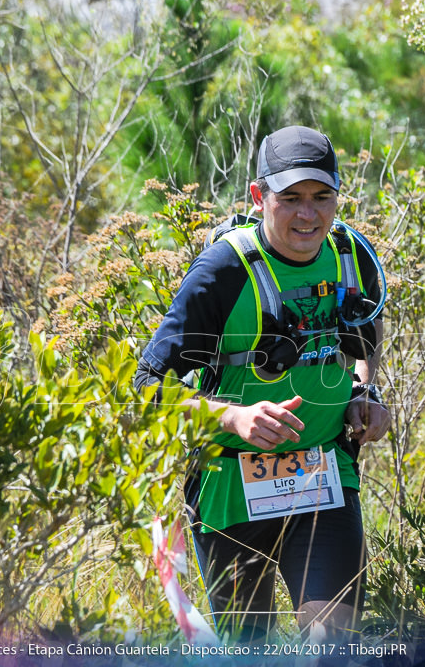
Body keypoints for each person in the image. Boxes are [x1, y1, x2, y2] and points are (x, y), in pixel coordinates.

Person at [134, 125, 391, 645]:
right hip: (230, 488)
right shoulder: (222, 270)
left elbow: (364, 345)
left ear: (338, 195)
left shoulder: (350, 256)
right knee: (250, 650)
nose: (308, 214)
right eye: (290, 198)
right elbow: (145, 386)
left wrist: (365, 395)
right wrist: (232, 416)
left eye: (322, 197)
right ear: (259, 196)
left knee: (332, 645)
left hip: (323, 478)